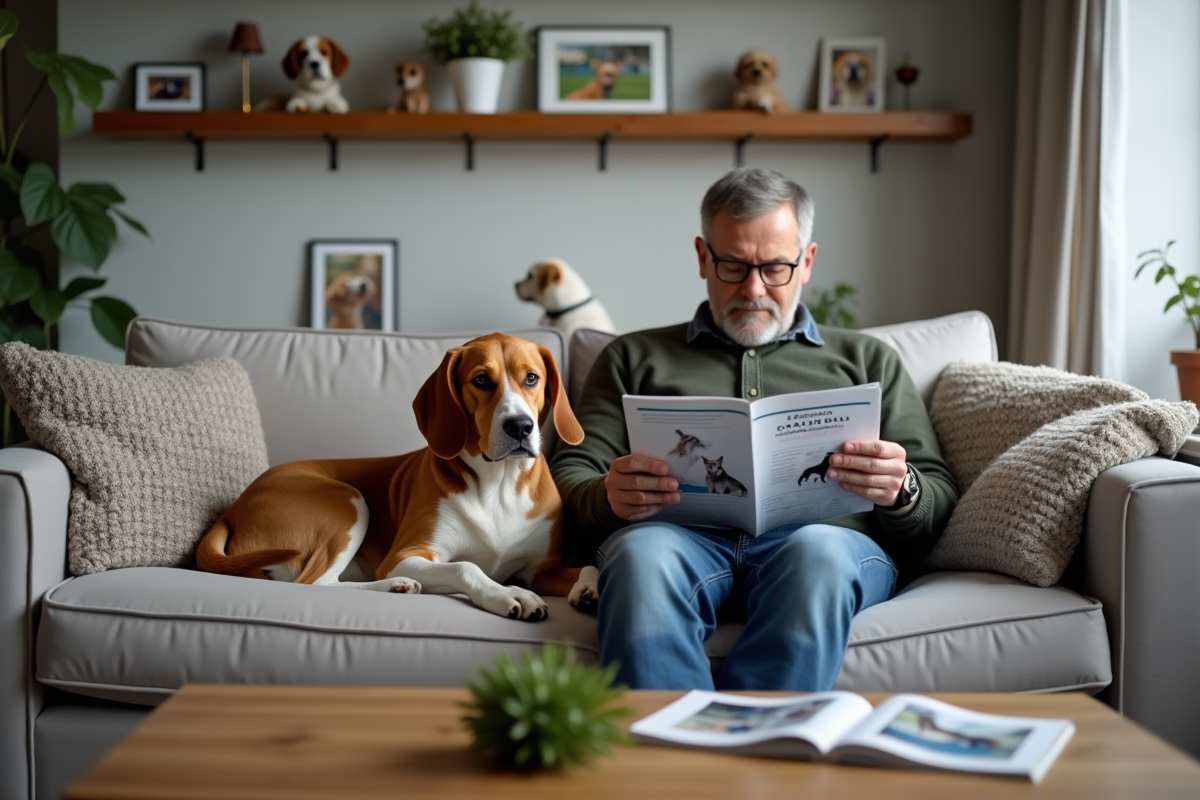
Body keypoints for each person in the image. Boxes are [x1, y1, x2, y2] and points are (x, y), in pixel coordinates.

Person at [550, 167, 958, 691]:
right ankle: (669, 739)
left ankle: (761, 737)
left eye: (775, 268)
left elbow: (937, 494)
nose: (752, 288)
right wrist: (608, 497)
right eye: (733, 265)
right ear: (703, 257)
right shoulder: (631, 357)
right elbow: (568, 476)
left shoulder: (868, 360)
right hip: (674, 542)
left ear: (807, 262)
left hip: (825, 544)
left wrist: (902, 488)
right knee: (641, 557)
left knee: (819, 556)